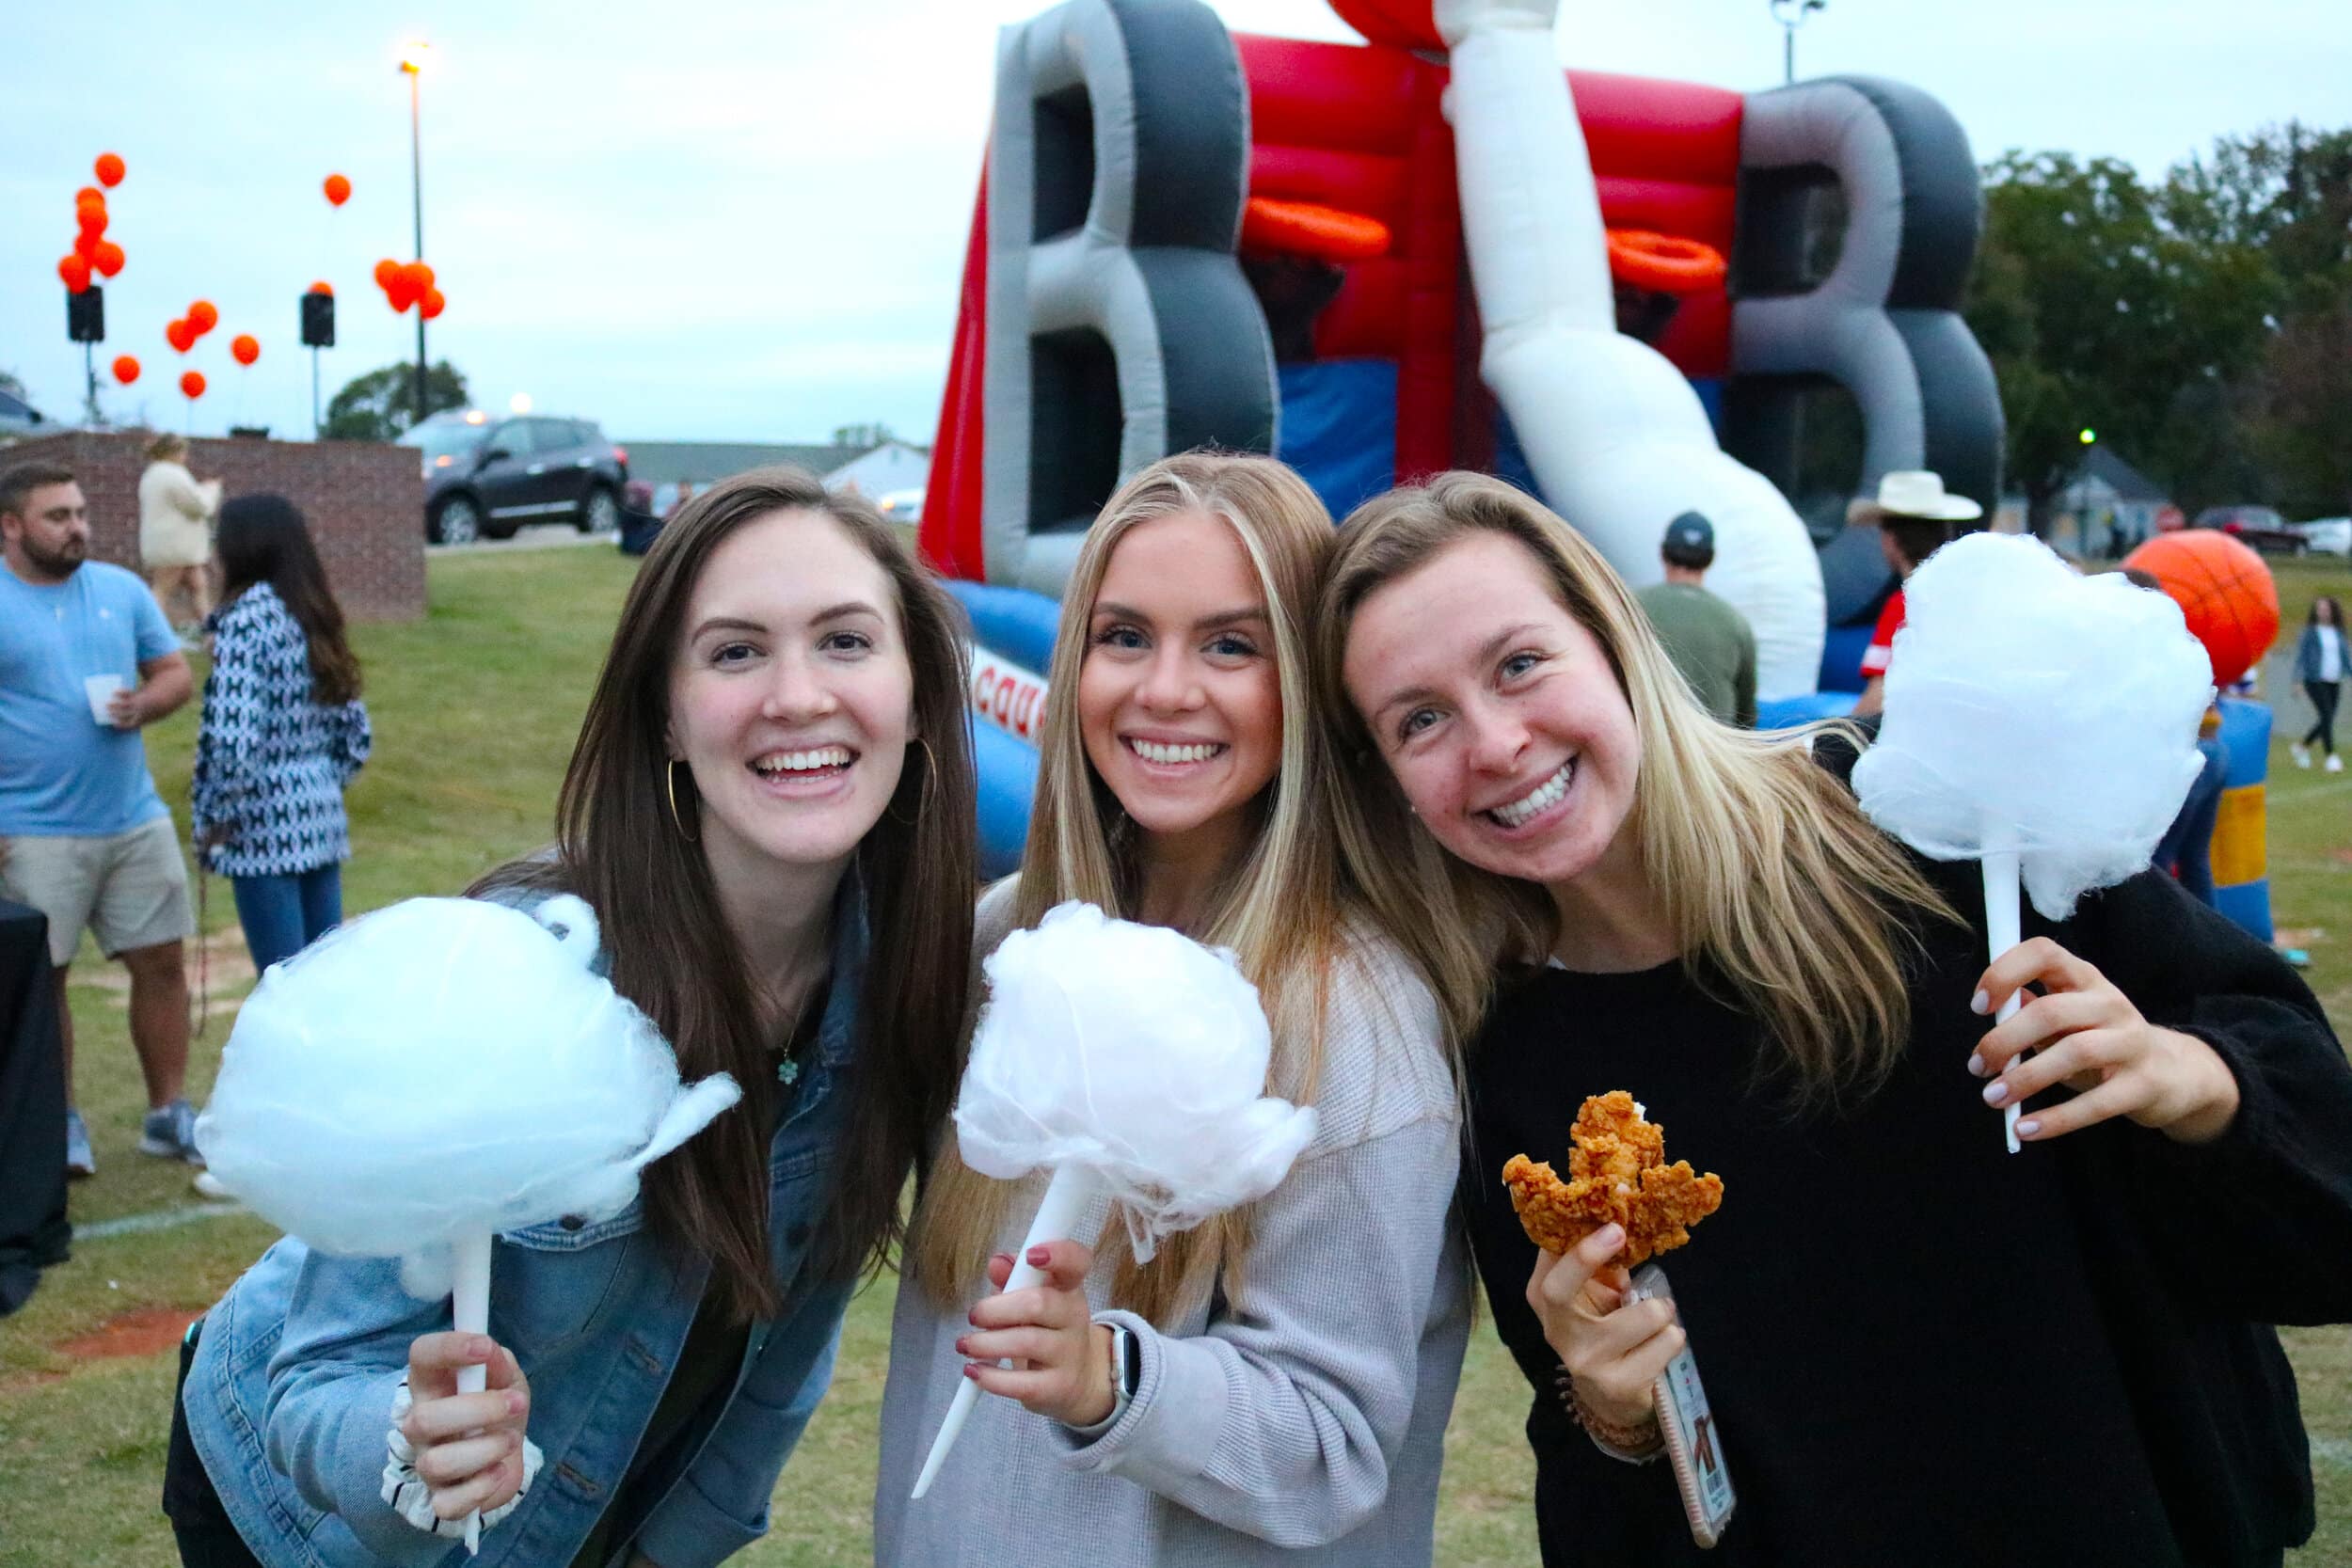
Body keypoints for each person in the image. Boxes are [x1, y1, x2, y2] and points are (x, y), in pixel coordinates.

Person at [1320, 470, 2352, 1567]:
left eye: (1519, 663)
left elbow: (2323, 1209)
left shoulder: (1933, 822)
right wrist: (1610, 1420)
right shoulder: (1507, 1076)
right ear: (1389, 782)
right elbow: (1617, 1498)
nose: (1493, 741)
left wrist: (2195, 1084)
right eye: (1418, 719)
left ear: (1614, 642)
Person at [164, 467, 977, 1568]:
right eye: (735, 650)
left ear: (919, 690)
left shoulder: (898, 988)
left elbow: (791, 1340)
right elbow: (311, 1381)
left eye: (844, 640)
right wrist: (411, 1443)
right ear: (669, 720)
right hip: (296, 1518)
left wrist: (668, 1549)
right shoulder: (530, 966)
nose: (796, 696)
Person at [877, 453, 1470, 1565]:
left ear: (1304, 682)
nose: (1164, 689)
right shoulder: (1003, 945)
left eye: (1231, 645)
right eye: (1124, 635)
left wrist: (1109, 1378)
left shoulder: (1362, 1020)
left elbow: (1333, 1445)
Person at [0, 461, 200, 1180]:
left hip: (132, 817)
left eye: (81, 512)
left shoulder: (119, 589)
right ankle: (61, 1123)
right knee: (44, 979)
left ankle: (168, 1110)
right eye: (58, 515)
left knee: (162, 961)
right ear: (12, 525)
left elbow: (173, 672)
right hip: (30, 828)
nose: (78, 526)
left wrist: (145, 704)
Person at [190, 495, 373, 975]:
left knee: (283, 983)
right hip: (320, 814)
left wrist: (213, 821)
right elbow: (355, 734)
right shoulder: (312, 614)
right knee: (322, 977)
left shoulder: (243, 622)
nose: (212, 554)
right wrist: (317, 781)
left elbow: (232, 742)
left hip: (261, 823)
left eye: (218, 542)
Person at [1846, 469, 1982, 718]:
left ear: (1891, 540)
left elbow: (1879, 699)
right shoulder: (1971, 598)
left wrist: (1822, 742)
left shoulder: (1906, 605)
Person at [1631, 511, 1755, 727]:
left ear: (1663, 553)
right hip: (1711, 756)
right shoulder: (1736, 623)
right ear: (1711, 558)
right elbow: (1746, 718)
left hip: (1646, 747)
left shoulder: (1630, 607)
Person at [139, 434, 224, 637]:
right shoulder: (173, 475)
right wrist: (212, 489)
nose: (185, 457)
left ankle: (211, 632)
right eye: (183, 452)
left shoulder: (152, 474)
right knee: (162, 590)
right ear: (174, 452)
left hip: (172, 545)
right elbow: (200, 506)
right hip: (175, 546)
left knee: (198, 586)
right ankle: (147, 633)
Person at [2291, 595, 2343, 772]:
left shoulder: (2338, 632)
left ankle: (2302, 747)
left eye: (2326, 609)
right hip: (2314, 680)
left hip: (2334, 680)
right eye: (2320, 609)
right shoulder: (2310, 632)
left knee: (2328, 719)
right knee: (2327, 716)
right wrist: (2297, 679)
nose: (2323, 612)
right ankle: (2331, 757)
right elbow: (2301, 657)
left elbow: (2344, 657)